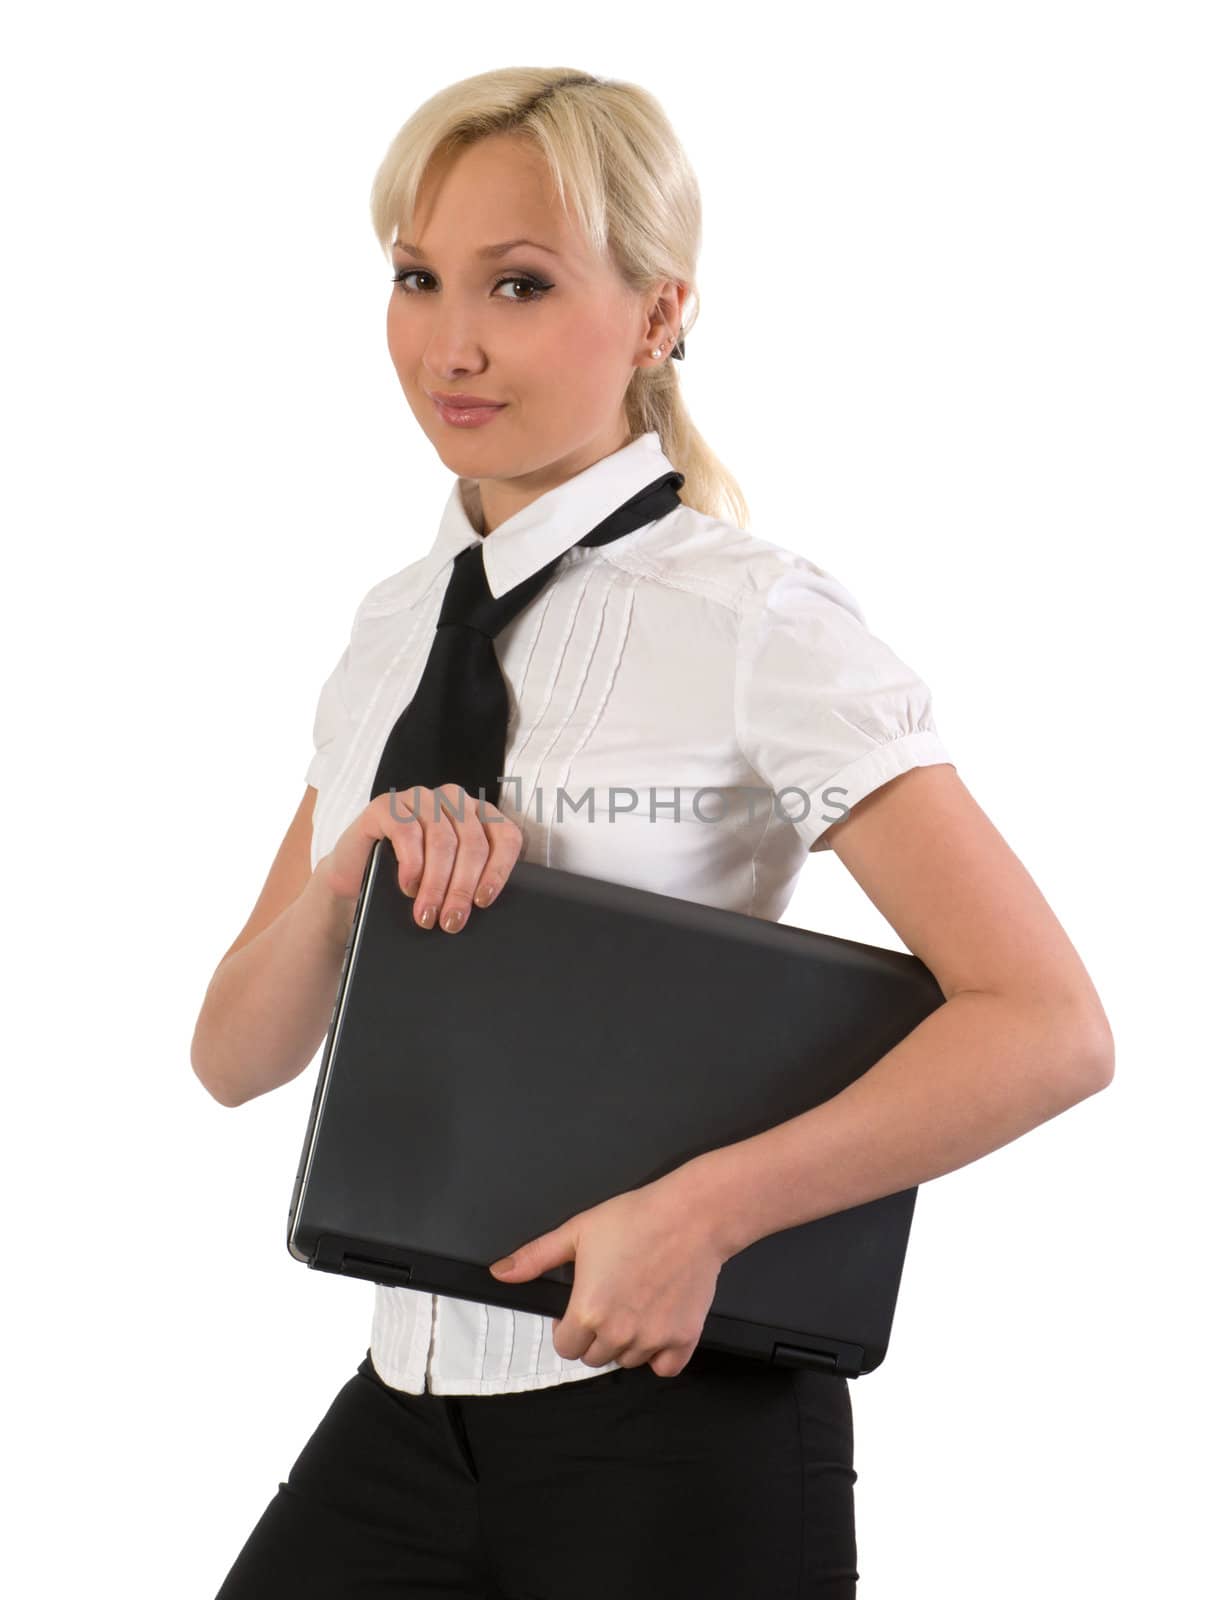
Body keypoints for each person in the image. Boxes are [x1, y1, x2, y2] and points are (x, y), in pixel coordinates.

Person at [196, 65, 1115, 1600]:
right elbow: (234, 1058)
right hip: (411, 1413)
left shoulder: (758, 620)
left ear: (659, 312)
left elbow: (1049, 1026)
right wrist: (345, 876)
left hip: (682, 1429)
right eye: (417, 278)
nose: (453, 341)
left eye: (522, 284)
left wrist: (701, 1218)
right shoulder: (388, 632)